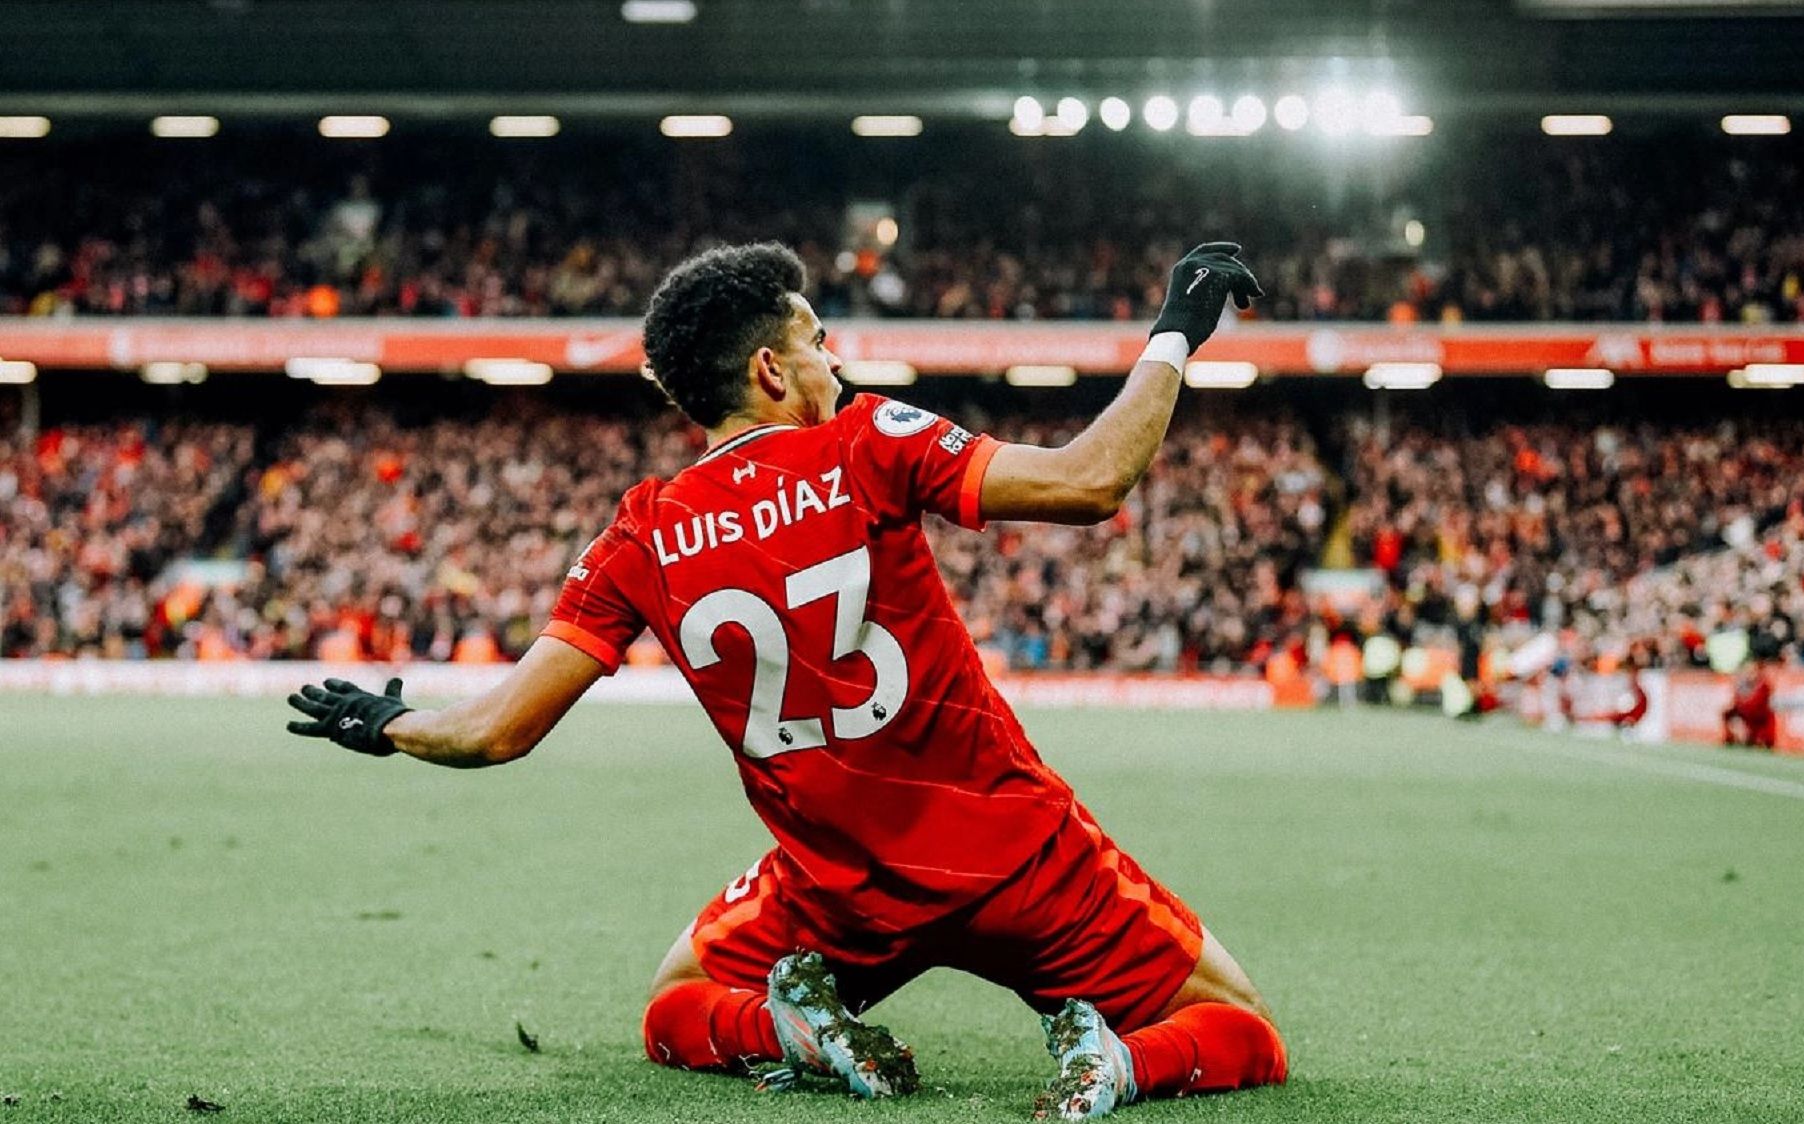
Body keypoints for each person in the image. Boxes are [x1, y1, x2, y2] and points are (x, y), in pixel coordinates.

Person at [283, 241, 1285, 1120]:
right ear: (770, 367)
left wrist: (393, 721)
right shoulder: (867, 444)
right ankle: (1117, 1058)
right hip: (1017, 861)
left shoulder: (645, 529)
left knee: (677, 1004)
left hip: (836, 887)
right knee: (1235, 1024)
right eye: (815, 340)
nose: (832, 358)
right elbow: (1088, 480)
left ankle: (798, 1033)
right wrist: (1171, 335)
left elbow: (498, 728)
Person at [1722, 662, 1778, 749]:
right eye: (1747, 671)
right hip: (1746, 717)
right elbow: (1736, 702)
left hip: (1758, 719)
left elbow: (1755, 706)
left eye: (1752, 672)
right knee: (1729, 715)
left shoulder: (1763, 686)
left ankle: (1750, 739)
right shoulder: (1742, 685)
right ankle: (1734, 739)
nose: (1749, 674)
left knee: (1738, 719)